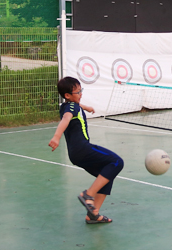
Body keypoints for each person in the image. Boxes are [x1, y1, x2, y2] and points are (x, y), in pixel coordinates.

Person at [49, 76, 124, 224]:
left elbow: (73, 108)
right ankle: (87, 195)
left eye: (81, 90)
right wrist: (56, 137)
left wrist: (86, 107)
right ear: (67, 95)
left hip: (75, 154)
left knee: (106, 176)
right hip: (83, 149)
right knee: (117, 162)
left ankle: (93, 214)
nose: (81, 93)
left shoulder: (68, 105)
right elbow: (66, 119)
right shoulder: (71, 108)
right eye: (78, 92)